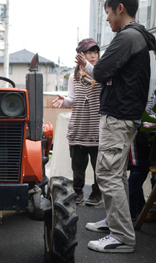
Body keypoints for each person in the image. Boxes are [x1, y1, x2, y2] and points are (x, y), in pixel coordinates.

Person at [76, 0, 156, 253]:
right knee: (117, 174)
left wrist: (89, 67)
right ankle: (114, 223)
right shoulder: (139, 35)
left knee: (108, 174)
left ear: (119, 8)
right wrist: (91, 68)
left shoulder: (127, 37)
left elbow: (102, 73)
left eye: (108, 12)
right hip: (127, 114)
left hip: (118, 115)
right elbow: (108, 72)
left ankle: (122, 236)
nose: (108, 18)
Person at [53, 38, 103, 206]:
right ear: (81, 55)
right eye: (89, 52)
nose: (93, 55)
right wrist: (64, 100)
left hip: (97, 128)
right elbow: (72, 99)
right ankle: (78, 191)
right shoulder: (74, 76)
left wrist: (88, 67)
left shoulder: (101, 72)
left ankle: (97, 193)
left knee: (99, 166)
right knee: (78, 166)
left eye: (95, 52)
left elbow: (101, 79)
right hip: (79, 127)